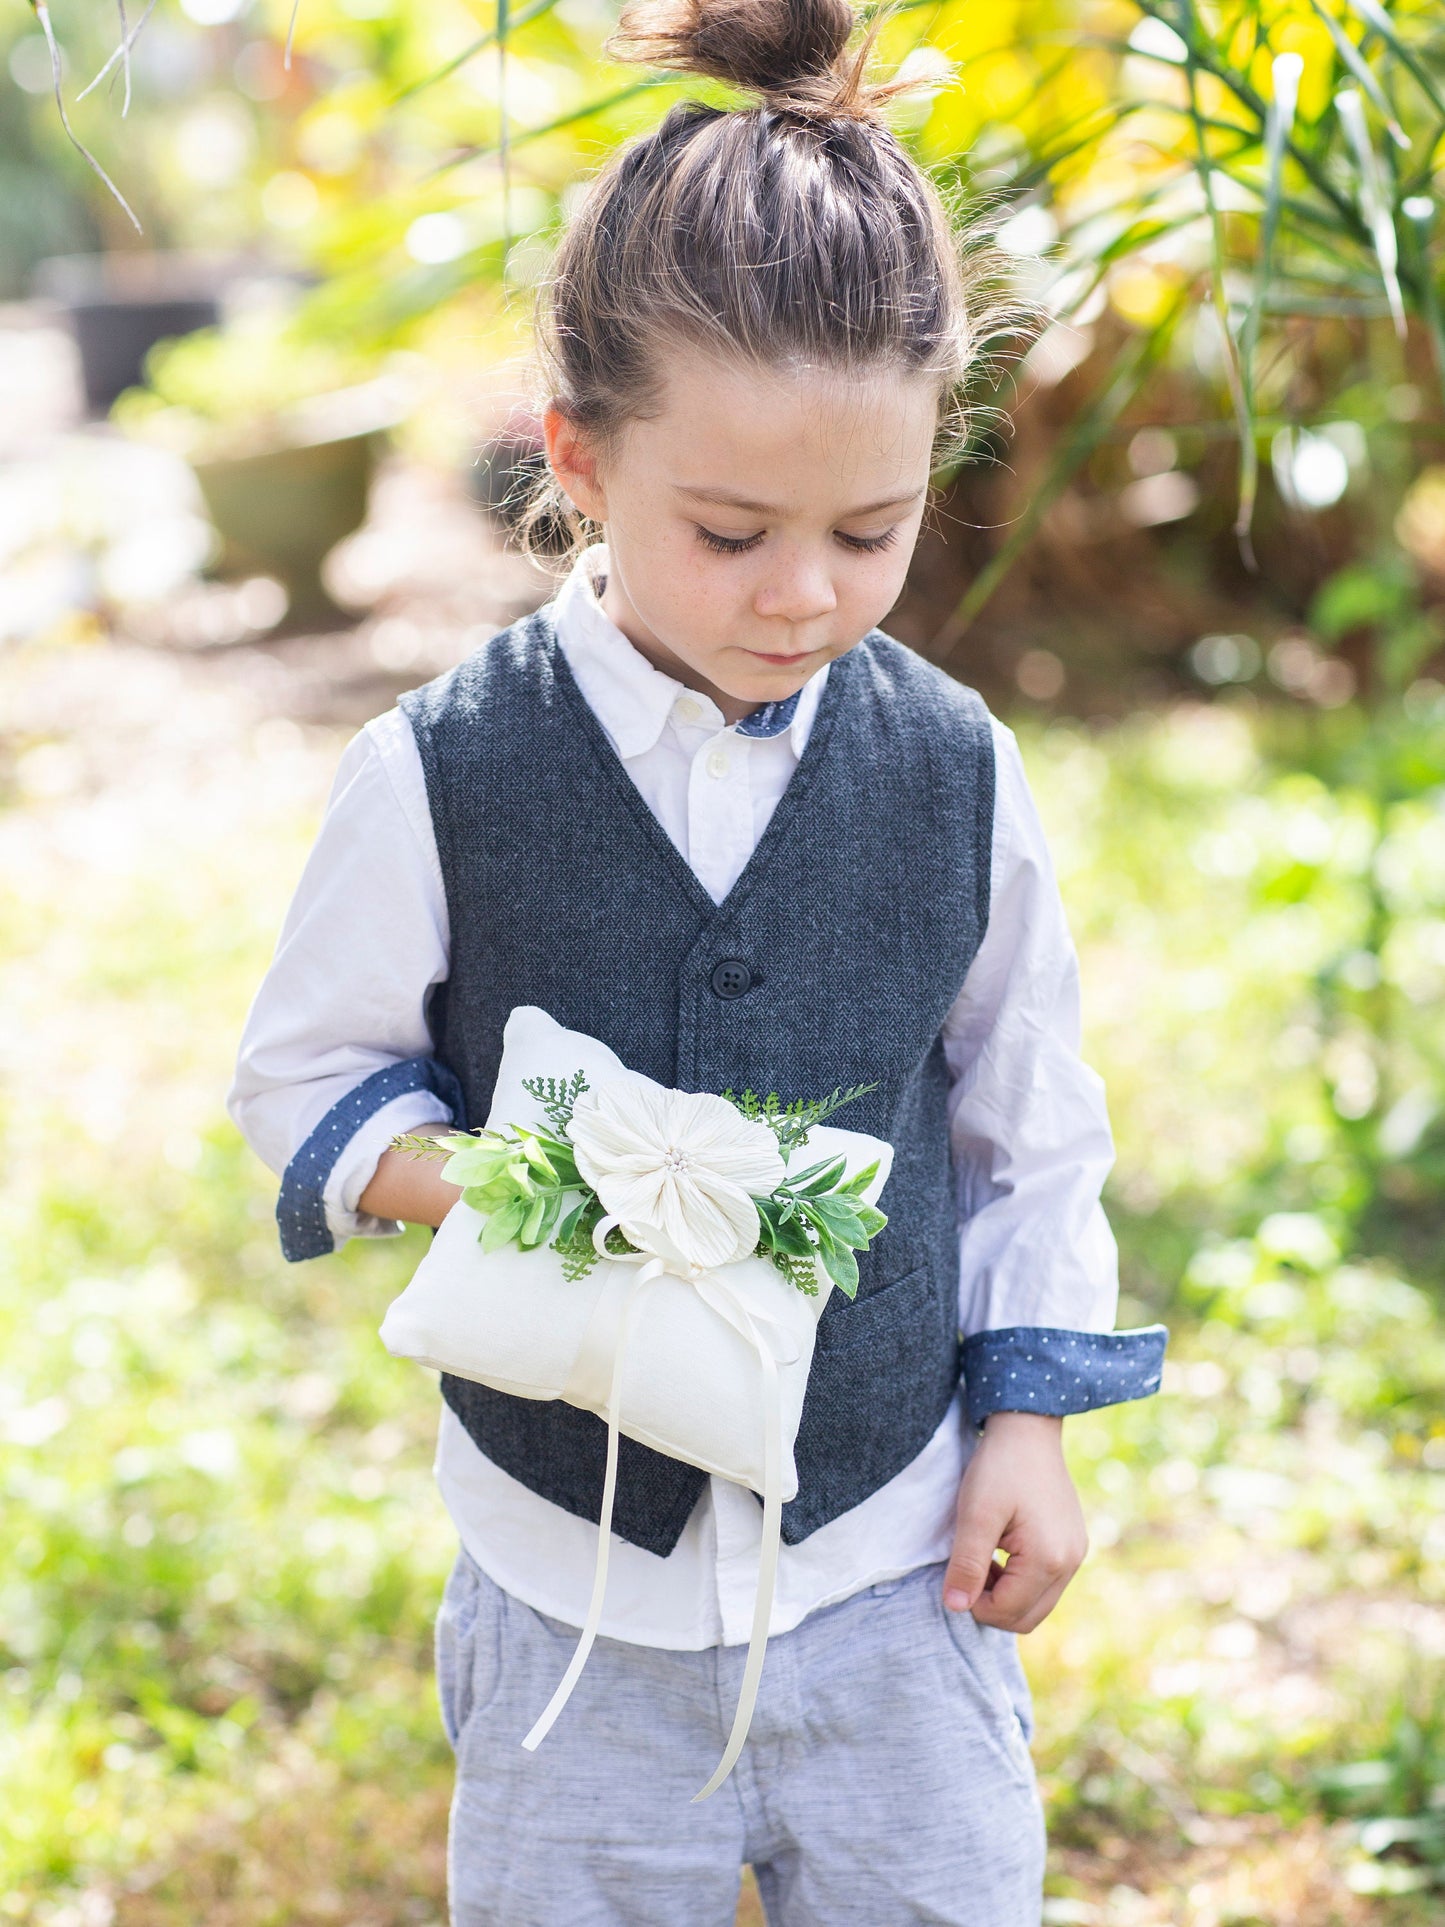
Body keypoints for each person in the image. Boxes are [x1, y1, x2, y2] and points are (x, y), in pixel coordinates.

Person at [227, 1, 1168, 1919]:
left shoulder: (953, 771)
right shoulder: (440, 769)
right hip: (574, 1602)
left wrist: (1027, 1429)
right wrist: (529, 1184)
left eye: (872, 529)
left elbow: (1023, 1130)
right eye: (729, 532)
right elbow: (306, 1083)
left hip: (892, 1574)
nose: (804, 592)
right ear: (576, 458)